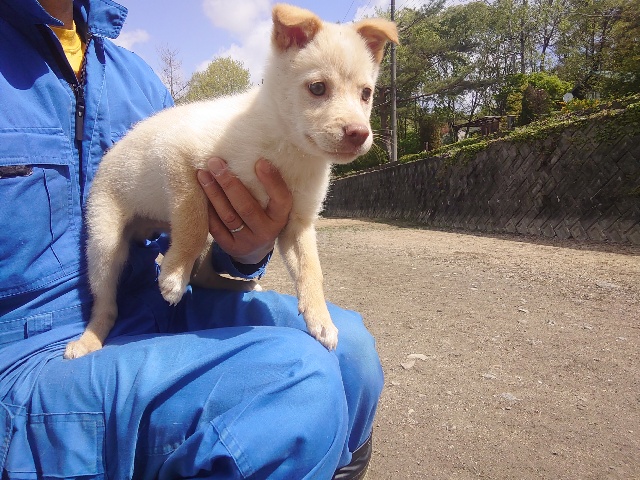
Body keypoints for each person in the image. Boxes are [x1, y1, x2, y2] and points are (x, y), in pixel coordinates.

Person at [0, 0, 383, 478]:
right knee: (299, 381)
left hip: (160, 302)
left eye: (365, 94)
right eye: (319, 89)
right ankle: (102, 321)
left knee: (354, 352)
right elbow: (181, 160)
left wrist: (245, 252)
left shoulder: (133, 76)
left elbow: (199, 193)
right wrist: (184, 248)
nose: (354, 117)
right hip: (27, 348)